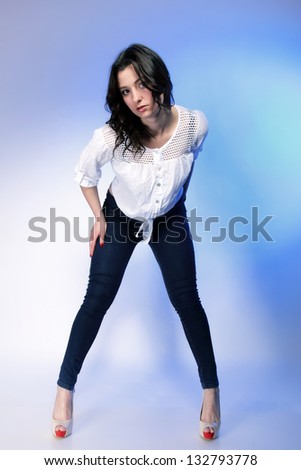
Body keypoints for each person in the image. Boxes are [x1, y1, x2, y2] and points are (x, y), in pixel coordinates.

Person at [52, 43, 220, 440]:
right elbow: (85, 174)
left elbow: (190, 161)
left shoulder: (195, 125)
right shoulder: (114, 135)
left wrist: (177, 202)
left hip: (168, 218)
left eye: (141, 85)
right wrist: (99, 218)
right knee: (97, 298)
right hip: (120, 217)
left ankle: (211, 393)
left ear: (158, 81)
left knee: (187, 299)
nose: (136, 98)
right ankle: (64, 390)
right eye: (126, 91)